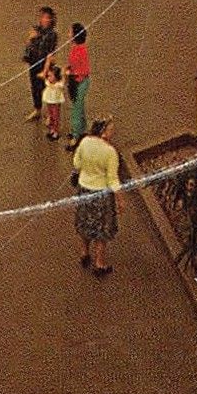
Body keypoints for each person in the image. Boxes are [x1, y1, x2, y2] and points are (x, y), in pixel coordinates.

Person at [72, 118, 122, 276]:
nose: (112, 132)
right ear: (103, 132)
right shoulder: (110, 152)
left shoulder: (85, 142)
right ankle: (99, 263)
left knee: (85, 223)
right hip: (101, 194)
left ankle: (84, 254)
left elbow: (77, 164)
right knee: (101, 230)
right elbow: (113, 179)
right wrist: (120, 199)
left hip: (84, 190)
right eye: (110, 130)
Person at [22, 6, 57, 123]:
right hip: (33, 63)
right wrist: (31, 38)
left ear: (51, 19)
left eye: (47, 18)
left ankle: (49, 115)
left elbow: (50, 54)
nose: (44, 20)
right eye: (43, 17)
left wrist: (45, 71)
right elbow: (28, 45)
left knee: (46, 90)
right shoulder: (36, 30)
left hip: (44, 65)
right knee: (35, 88)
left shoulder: (52, 35)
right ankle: (37, 110)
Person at [64, 24, 91, 152]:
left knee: (76, 109)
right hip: (75, 81)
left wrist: (72, 73)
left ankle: (75, 136)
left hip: (80, 82)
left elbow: (84, 70)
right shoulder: (75, 48)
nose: (68, 33)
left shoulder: (81, 50)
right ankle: (82, 129)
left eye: (70, 31)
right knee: (79, 106)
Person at [40, 64, 66, 141]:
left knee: (55, 116)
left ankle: (56, 131)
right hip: (49, 101)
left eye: (51, 76)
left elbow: (63, 82)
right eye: (48, 76)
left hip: (55, 102)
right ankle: (52, 129)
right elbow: (44, 75)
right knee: (51, 115)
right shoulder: (48, 82)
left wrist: (64, 73)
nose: (49, 77)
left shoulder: (58, 85)